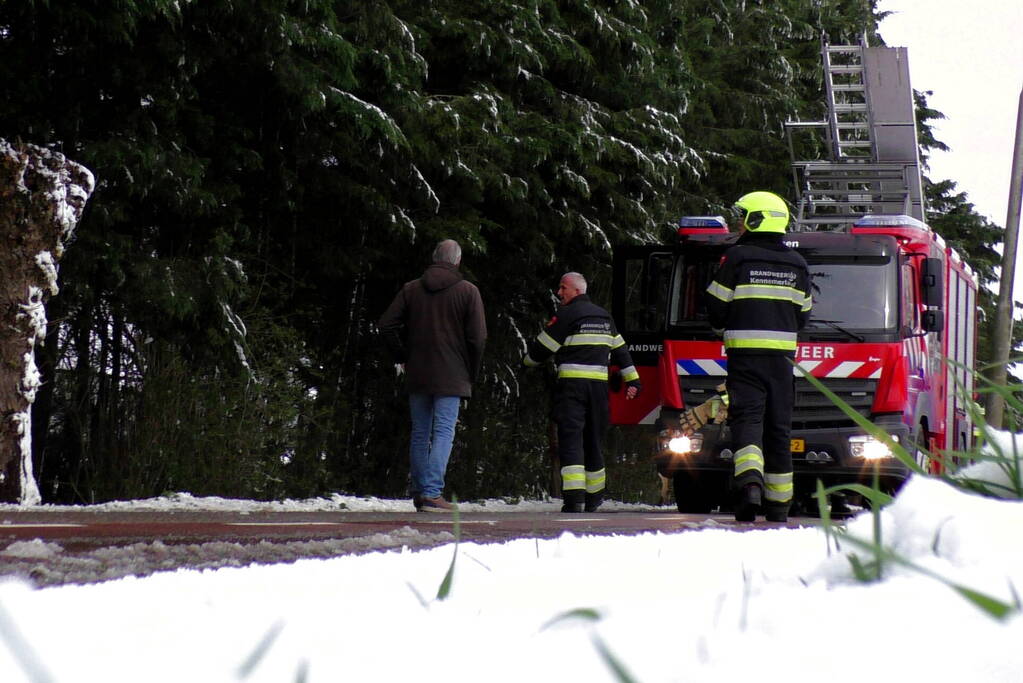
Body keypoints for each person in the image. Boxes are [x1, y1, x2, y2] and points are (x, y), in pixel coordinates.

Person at [705, 191, 812, 522]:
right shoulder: (798, 264)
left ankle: (750, 485)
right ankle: (779, 505)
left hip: (745, 359)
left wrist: (725, 324)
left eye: (743, 217)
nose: (739, 223)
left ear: (756, 219)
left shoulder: (737, 257)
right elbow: (803, 315)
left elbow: (715, 306)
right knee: (779, 428)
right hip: (782, 361)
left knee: (748, 420)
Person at [378, 239, 487, 512]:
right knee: (443, 432)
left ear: (434, 257)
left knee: (420, 432)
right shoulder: (468, 291)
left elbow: (386, 325)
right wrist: (471, 372)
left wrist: (402, 355)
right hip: (453, 373)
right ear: (458, 261)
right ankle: (432, 492)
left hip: (418, 371)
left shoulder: (411, 289)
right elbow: (478, 338)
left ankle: (419, 491)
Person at [523, 272, 641, 513]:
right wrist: (634, 381)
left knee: (571, 439)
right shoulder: (604, 316)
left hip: (572, 389)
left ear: (576, 290)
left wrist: (526, 363)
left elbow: (541, 349)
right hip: (598, 391)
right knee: (594, 440)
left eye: (563, 288)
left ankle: (574, 498)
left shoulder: (567, 315)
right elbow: (621, 351)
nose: (559, 293)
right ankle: (594, 497)